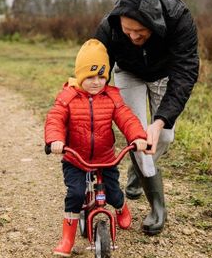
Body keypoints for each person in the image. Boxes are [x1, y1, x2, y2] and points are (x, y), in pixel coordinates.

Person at [94, 0, 199, 235]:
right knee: (139, 136)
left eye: (140, 31)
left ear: (154, 21)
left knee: (163, 136)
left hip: (163, 73)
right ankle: (157, 207)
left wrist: (161, 119)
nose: (133, 36)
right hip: (128, 73)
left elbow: (186, 71)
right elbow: (95, 69)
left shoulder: (178, 17)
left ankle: (138, 169)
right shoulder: (109, 26)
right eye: (127, 30)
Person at [44, 39, 152, 257]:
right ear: (80, 76)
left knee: (112, 193)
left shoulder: (111, 97)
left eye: (101, 76)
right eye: (90, 77)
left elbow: (127, 118)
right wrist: (55, 139)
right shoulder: (69, 97)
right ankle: (67, 237)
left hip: (105, 158)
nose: (96, 82)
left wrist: (138, 137)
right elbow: (55, 118)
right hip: (76, 159)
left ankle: (121, 208)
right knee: (75, 194)